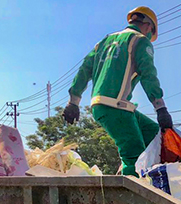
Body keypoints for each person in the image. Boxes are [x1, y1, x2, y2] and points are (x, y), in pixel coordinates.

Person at [63, 7, 173, 176]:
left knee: (154, 134)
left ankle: (132, 172)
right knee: (134, 156)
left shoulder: (104, 42)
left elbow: (84, 70)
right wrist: (161, 108)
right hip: (115, 106)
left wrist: (73, 102)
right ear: (148, 26)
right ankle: (129, 197)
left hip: (106, 106)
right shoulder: (140, 40)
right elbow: (148, 74)